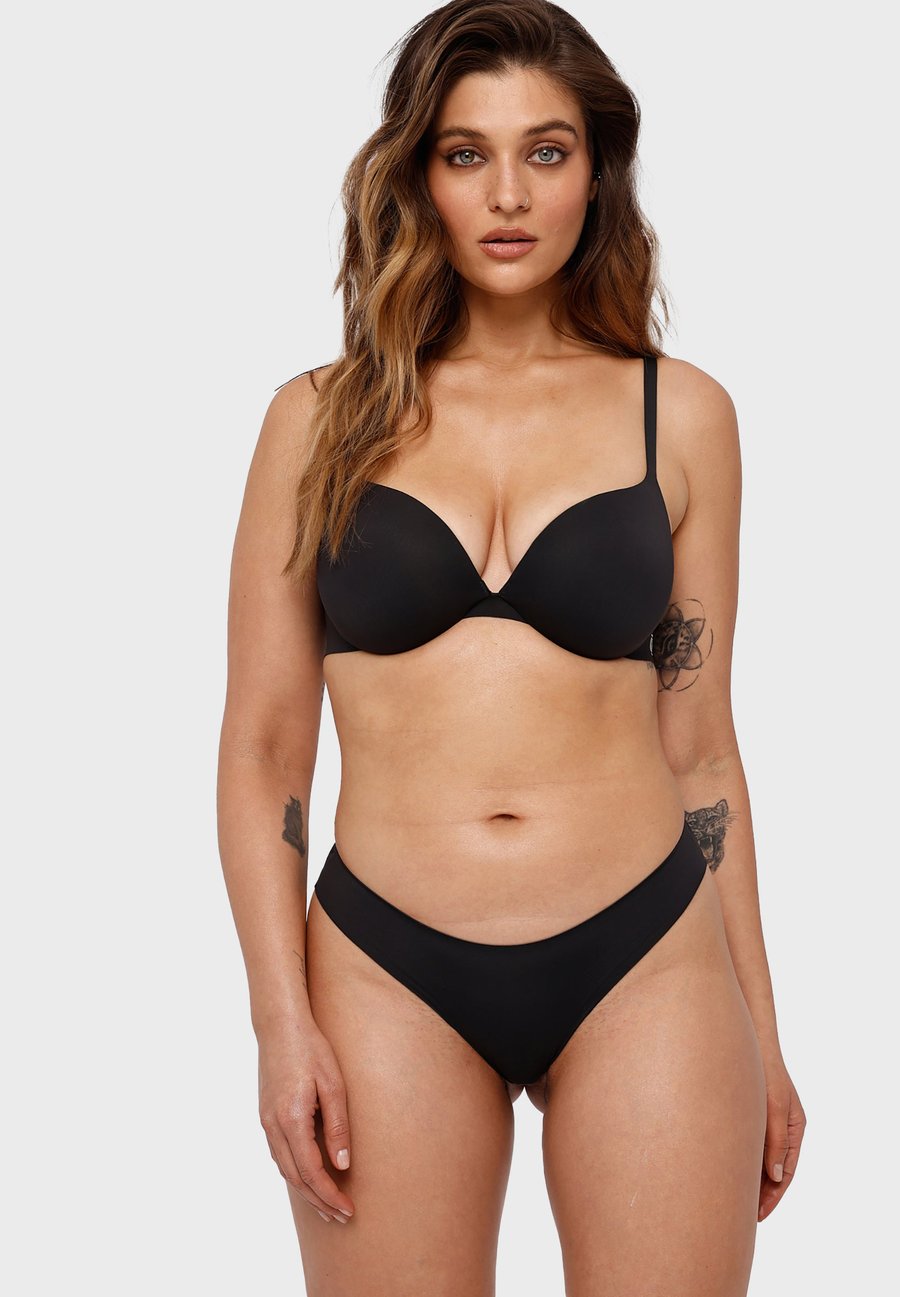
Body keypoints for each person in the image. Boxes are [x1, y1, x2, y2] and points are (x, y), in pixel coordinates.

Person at [217, 1, 806, 1292]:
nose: (507, 194)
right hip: (385, 963)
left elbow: (703, 750)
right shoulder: (315, 422)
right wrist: (277, 1021)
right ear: (417, 175)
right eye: (465, 153)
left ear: (597, 172)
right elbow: (264, 749)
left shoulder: (681, 415)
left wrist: (761, 1030)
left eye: (546, 151)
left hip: (647, 954)